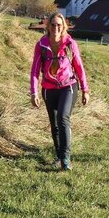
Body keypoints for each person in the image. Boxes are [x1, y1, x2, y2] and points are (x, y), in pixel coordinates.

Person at [30, 12, 90, 171]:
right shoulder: (41, 45)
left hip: (68, 87)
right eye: (53, 24)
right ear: (48, 26)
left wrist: (85, 89)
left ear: (63, 27)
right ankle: (58, 156)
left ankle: (66, 158)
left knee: (63, 118)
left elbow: (79, 67)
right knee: (54, 124)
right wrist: (34, 92)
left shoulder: (70, 43)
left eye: (59, 25)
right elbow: (35, 70)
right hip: (49, 89)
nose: (56, 27)